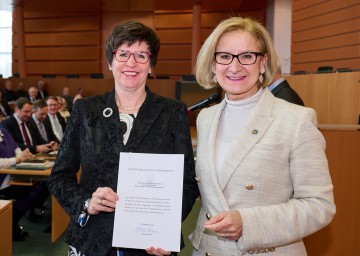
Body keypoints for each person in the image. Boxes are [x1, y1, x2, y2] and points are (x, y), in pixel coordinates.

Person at [47, 21, 199, 256]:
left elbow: (187, 183)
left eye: (141, 54)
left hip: (150, 246)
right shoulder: (86, 110)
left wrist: (164, 228)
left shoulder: (174, 112)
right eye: (123, 53)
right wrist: (86, 203)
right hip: (92, 239)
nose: (131, 62)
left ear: (151, 65)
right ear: (110, 62)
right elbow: (59, 177)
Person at [189, 17, 335, 255]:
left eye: (247, 56)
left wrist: (248, 222)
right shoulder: (206, 118)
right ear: (213, 64)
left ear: (263, 62)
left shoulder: (296, 120)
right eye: (224, 56)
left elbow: (320, 207)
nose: (234, 67)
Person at [0, 128, 49, 241]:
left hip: (13, 175)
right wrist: (17, 159)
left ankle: (11, 222)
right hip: (3, 181)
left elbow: (16, 148)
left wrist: (23, 156)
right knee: (30, 191)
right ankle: (10, 224)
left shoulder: (4, 131)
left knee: (39, 186)